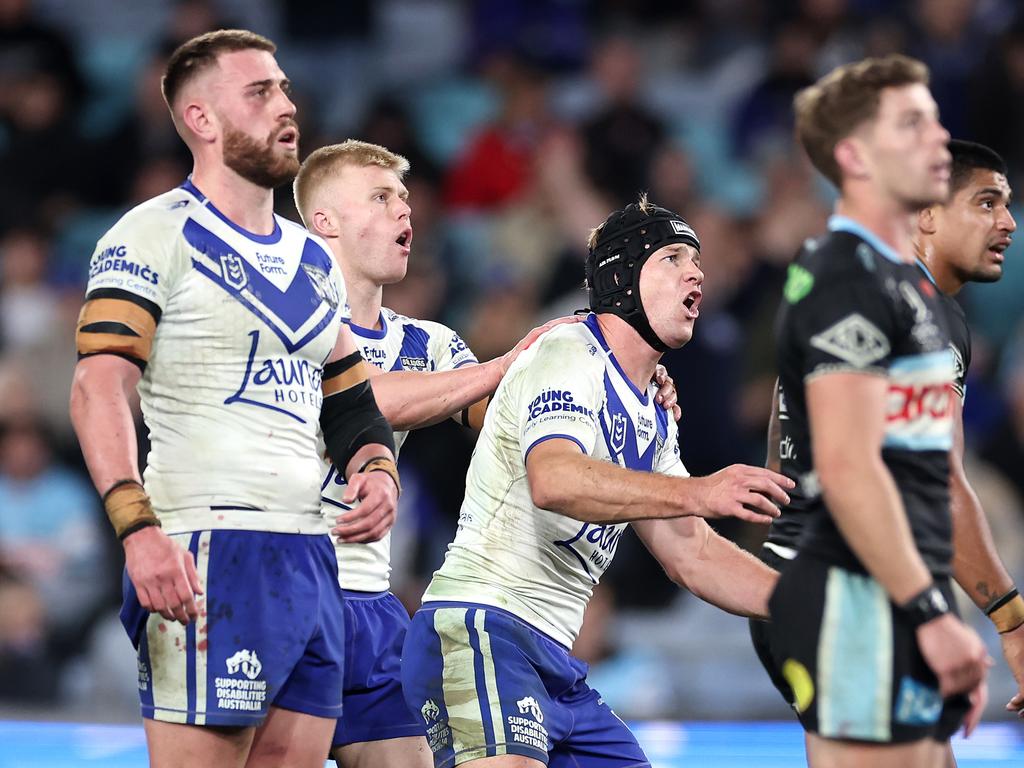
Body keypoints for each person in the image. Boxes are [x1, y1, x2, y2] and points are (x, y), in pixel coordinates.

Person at [292, 140, 681, 767]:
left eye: (406, 200)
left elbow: (509, 418)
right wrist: (505, 361)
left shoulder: (431, 342)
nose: (405, 214)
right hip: (288, 581)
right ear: (325, 222)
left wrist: (628, 381)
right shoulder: (287, 318)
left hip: (370, 597)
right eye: (382, 197)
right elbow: (362, 399)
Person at [69, 30, 400, 768]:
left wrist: (376, 467)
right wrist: (137, 528)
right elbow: (97, 388)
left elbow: (348, 397)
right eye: (259, 93)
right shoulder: (152, 235)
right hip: (207, 549)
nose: (287, 107)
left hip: (311, 556)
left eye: (284, 89)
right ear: (201, 120)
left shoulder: (313, 259)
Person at [401, 193, 796, 768]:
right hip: (482, 629)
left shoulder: (653, 411)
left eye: (698, 262)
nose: (696, 273)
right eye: (674, 258)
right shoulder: (568, 351)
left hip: (555, 662)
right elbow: (554, 478)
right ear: (623, 276)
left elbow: (693, 553)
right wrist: (698, 490)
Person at [762, 54, 990, 768]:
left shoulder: (907, 290)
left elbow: (920, 472)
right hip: (853, 597)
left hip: (891, 595)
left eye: (935, 118)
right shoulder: (843, 277)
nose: (938, 139)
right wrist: (932, 614)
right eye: (912, 124)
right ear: (856, 156)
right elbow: (849, 468)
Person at [914, 139, 1023, 716]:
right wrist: (1013, 622)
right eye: (986, 203)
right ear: (927, 214)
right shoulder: (918, 314)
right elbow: (938, 484)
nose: (1007, 222)